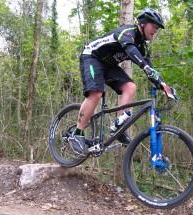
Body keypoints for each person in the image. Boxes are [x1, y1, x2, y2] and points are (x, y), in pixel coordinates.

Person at [68, 8, 173, 155]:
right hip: (92, 56)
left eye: (157, 28)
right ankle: (77, 133)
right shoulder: (128, 32)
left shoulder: (142, 46)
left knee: (130, 87)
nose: (156, 30)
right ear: (143, 24)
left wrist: (163, 84)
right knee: (96, 93)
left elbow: (149, 68)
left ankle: (118, 126)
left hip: (108, 65)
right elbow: (130, 49)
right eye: (154, 26)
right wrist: (144, 66)